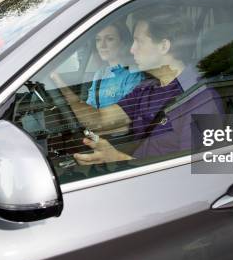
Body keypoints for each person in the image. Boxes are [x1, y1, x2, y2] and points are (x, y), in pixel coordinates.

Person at [71, 10, 223, 165]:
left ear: (164, 46)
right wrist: (60, 89)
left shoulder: (200, 99)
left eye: (139, 42)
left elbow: (192, 173)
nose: (132, 49)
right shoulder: (146, 88)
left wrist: (117, 159)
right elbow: (100, 119)